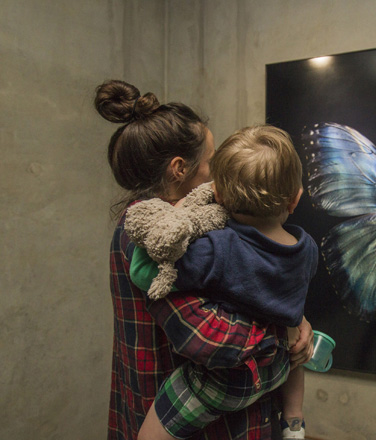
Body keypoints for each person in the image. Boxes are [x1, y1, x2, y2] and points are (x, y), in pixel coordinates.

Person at [95, 79, 313, 440]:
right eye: (211, 162)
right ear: (179, 168)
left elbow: (250, 282)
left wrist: (295, 314)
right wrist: (283, 329)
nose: (217, 175)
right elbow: (207, 335)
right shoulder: (154, 233)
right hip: (196, 423)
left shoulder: (208, 219)